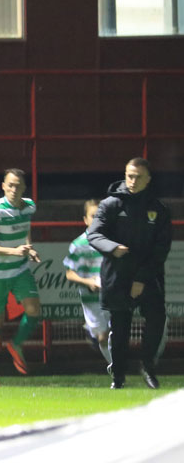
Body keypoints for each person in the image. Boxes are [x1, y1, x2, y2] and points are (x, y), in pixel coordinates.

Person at [87, 158, 171, 390]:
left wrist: (141, 279)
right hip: (117, 276)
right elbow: (94, 234)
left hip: (149, 276)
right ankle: (118, 376)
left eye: (138, 177)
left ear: (148, 179)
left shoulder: (159, 209)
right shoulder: (111, 204)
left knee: (157, 319)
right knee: (120, 328)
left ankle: (148, 367)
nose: (132, 181)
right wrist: (112, 247)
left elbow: (161, 249)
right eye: (129, 175)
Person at [0, 169, 41, 388]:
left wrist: (29, 248)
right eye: (10, 185)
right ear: (3, 186)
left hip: (20, 270)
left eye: (18, 186)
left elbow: (25, 229)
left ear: (24, 188)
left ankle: (16, 344)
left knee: (34, 310)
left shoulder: (29, 206)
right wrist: (14, 251)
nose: (14, 189)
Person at [63, 199, 111, 366]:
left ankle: (117, 370)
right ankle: (116, 370)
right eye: (93, 216)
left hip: (111, 294)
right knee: (104, 336)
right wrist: (87, 281)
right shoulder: (78, 245)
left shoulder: (111, 242)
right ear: (85, 220)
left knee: (116, 333)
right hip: (91, 297)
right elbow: (69, 274)